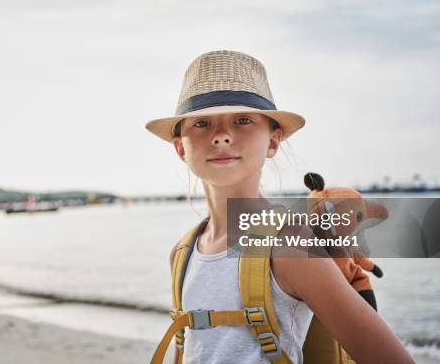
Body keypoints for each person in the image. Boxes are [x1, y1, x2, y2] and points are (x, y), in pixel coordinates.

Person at [145, 50, 414, 364]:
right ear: (181, 147)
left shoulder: (289, 246)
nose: (221, 136)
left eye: (242, 120)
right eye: (202, 123)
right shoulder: (182, 252)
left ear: (273, 141)